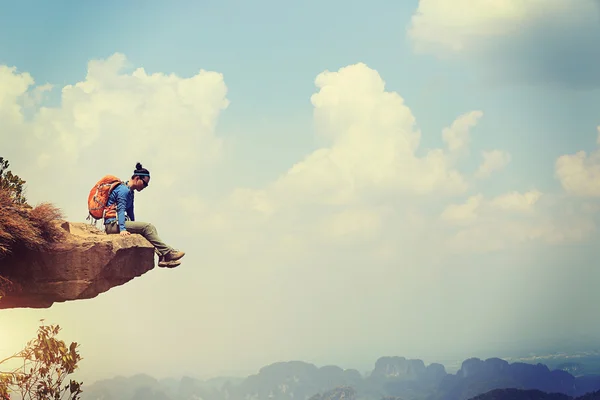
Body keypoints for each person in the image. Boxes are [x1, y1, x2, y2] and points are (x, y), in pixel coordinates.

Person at [104, 162, 185, 268]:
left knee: (150, 229)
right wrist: (123, 229)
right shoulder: (123, 190)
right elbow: (121, 209)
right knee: (148, 227)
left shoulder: (130, 192)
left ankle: (163, 258)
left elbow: (130, 211)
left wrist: (135, 226)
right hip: (112, 224)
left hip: (118, 223)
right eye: (144, 183)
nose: (145, 186)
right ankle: (168, 252)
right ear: (137, 178)